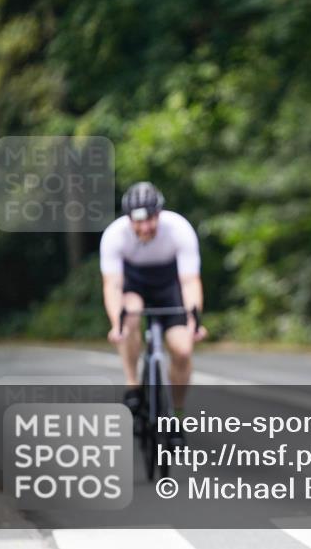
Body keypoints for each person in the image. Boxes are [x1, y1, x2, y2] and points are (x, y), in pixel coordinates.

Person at [100, 182, 207, 441]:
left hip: (169, 286)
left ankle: (177, 414)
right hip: (134, 285)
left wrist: (194, 320)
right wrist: (116, 324)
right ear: (128, 219)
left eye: (150, 219)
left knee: (182, 350)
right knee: (130, 314)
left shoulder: (179, 229)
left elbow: (190, 281)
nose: (146, 227)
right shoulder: (115, 235)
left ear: (159, 214)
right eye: (138, 222)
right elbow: (113, 285)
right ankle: (133, 386)